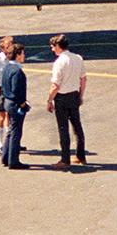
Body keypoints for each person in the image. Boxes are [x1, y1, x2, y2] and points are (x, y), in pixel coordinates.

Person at [46, 33, 87, 168]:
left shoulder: (59, 62)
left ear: (58, 46)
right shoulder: (78, 58)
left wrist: (49, 100)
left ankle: (65, 159)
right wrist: (80, 95)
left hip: (62, 98)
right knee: (77, 126)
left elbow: (55, 85)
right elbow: (83, 79)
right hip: (74, 95)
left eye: (53, 47)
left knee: (63, 129)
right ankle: (81, 156)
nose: (52, 50)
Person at [0, 42, 30, 170]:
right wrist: (23, 103)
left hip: (7, 101)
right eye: (22, 53)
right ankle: (13, 160)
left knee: (11, 131)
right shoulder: (17, 71)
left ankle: (5, 157)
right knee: (16, 132)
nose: (24, 56)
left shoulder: (7, 67)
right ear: (17, 55)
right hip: (15, 103)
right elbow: (17, 90)